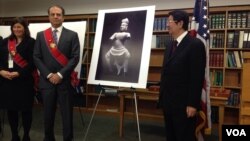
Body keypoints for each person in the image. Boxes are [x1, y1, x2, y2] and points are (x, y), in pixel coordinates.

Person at [33, 5, 80, 141]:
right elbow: (36, 56)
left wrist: (59, 75)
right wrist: (49, 75)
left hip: (64, 81)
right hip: (47, 82)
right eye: (52, 14)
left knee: (67, 114)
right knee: (48, 114)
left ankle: (68, 138)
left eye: (58, 14)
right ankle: (48, 138)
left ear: (63, 17)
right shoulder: (41, 35)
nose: (55, 16)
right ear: (48, 16)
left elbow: (75, 57)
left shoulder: (72, 35)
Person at [158, 10, 206, 141]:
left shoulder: (195, 45)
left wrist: (192, 104)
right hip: (168, 103)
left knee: (184, 137)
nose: (167, 25)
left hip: (184, 106)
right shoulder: (170, 45)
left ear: (180, 24)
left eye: (169, 21)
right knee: (171, 136)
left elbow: (196, 77)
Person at [0, 17, 36, 141]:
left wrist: (19, 73)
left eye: (19, 27)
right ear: (12, 28)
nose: (17, 29)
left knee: (26, 110)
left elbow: (33, 63)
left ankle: (26, 135)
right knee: (11, 110)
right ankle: (15, 135)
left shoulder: (31, 42)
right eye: (14, 27)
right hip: (7, 82)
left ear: (24, 28)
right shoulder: (5, 42)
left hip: (24, 81)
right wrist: (1, 71)